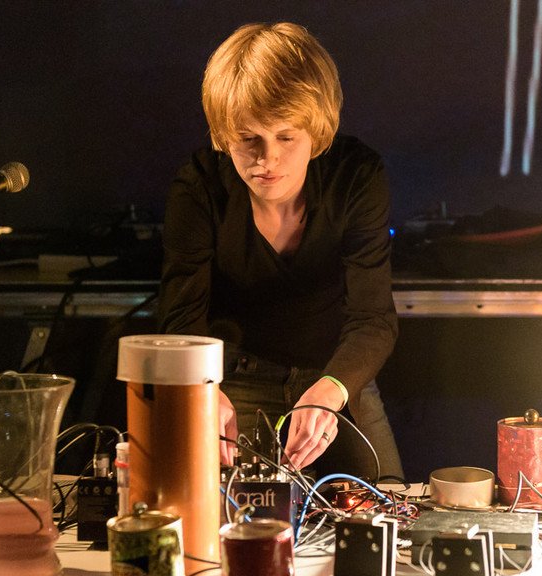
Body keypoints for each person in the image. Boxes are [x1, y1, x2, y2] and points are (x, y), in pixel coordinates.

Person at [158, 21, 403, 481]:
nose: (266, 159)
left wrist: (329, 391)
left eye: (286, 137)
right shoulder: (199, 186)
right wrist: (203, 389)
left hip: (336, 374)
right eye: (247, 138)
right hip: (234, 376)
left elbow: (373, 318)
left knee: (386, 504)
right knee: (219, 511)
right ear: (223, 133)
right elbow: (180, 315)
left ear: (317, 132)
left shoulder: (357, 176)